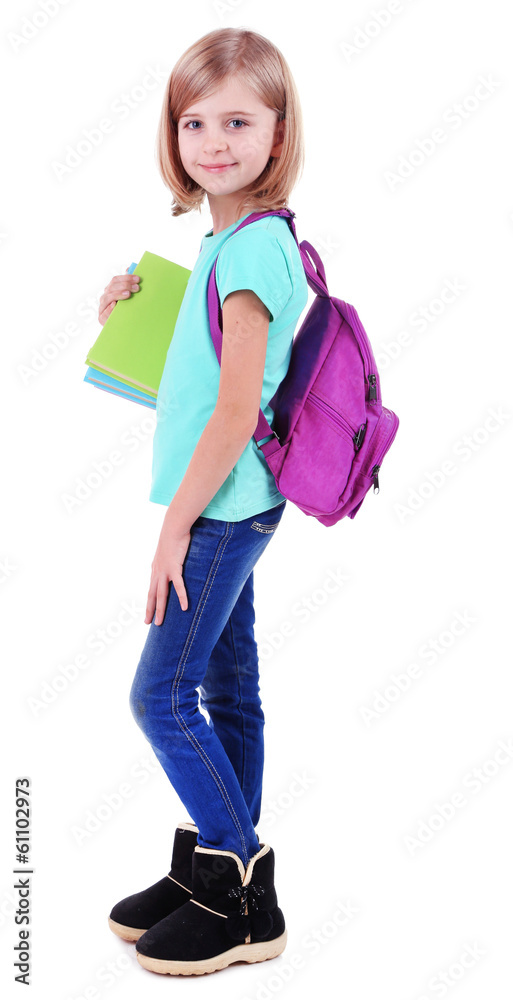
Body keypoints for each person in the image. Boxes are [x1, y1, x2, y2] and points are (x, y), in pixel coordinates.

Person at [98, 26, 309, 977]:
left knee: (159, 695)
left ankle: (241, 891)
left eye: (237, 120)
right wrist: (130, 316)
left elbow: (235, 408)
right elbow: (195, 378)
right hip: (227, 500)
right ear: (172, 135)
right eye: (194, 121)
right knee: (227, 692)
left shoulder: (256, 249)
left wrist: (175, 526)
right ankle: (210, 870)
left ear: (277, 133)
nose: (213, 140)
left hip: (221, 508)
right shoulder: (225, 238)